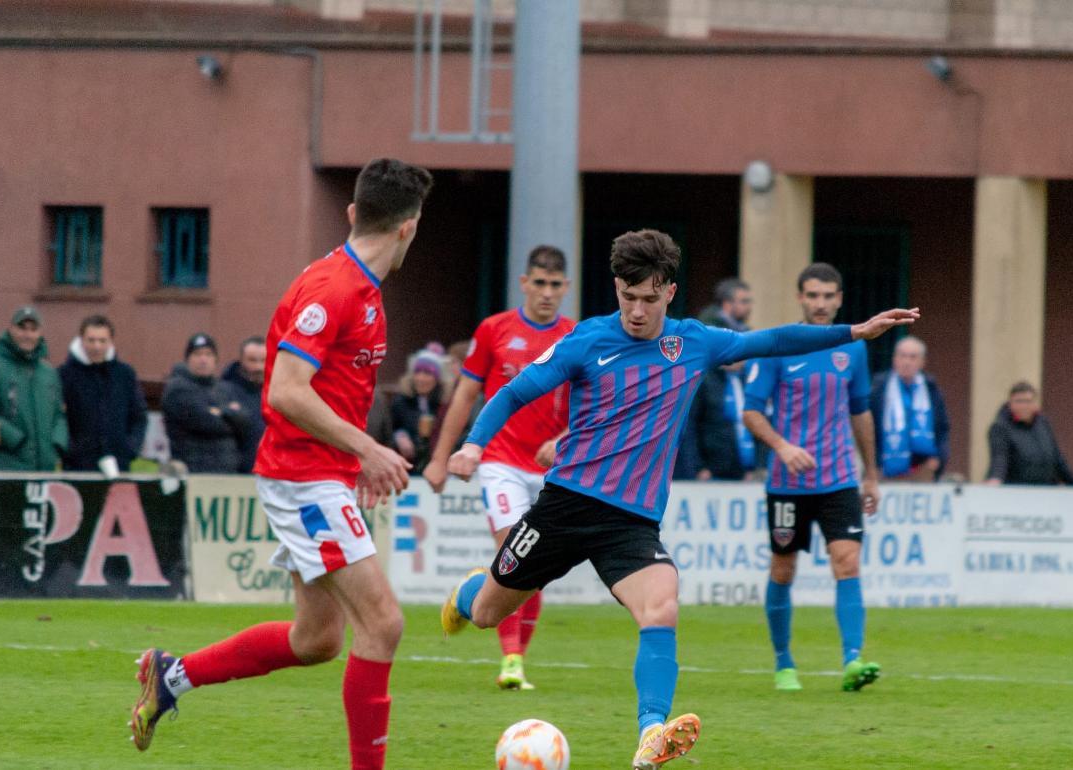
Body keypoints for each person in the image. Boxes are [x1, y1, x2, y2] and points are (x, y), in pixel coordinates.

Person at [439, 230, 918, 769]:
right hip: (565, 506)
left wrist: (855, 332)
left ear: (669, 291)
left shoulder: (694, 342)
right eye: (627, 296)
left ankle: (651, 732)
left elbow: (772, 340)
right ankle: (466, 595)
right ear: (616, 288)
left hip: (631, 522)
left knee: (663, 602)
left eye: (649, 298)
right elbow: (513, 392)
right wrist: (474, 444)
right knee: (487, 612)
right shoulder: (586, 340)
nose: (636, 311)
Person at [130, 158, 432, 770]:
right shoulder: (333, 289)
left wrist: (353, 458)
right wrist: (366, 447)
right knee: (383, 623)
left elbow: (326, 390)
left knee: (317, 639)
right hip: (304, 480)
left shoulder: (361, 290)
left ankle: (171, 676)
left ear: (354, 213)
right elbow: (286, 391)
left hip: (322, 476)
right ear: (409, 227)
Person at [422, 244, 575, 691]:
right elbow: (465, 395)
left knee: (536, 562)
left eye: (555, 285)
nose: (546, 293)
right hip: (500, 461)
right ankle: (512, 660)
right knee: (514, 551)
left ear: (565, 287)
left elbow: (594, 405)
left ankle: (470, 596)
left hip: (550, 467)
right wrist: (440, 458)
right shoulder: (494, 330)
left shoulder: (575, 336)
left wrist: (563, 440)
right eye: (539, 283)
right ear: (524, 283)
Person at [741, 263, 883, 695]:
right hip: (787, 483)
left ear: (839, 299)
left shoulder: (853, 348)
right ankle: (784, 663)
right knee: (784, 568)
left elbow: (860, 411)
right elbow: (751, 411)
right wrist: (782, 447)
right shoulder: (779, 345)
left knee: (848, 561)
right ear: (801, 298)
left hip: (839, 479)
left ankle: (852, 660)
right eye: (813, 295)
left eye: (828, 296)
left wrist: (871, 475)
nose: (821, 303)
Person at [677, 278, 756, 481]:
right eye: (744, 301)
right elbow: (689, 425)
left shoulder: (743, 373)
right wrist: (698, 467)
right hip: (710, 472)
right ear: (727, 304)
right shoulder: (708, 337)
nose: (749, 307)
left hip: (741, 470)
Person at [58, 314, 148, 473]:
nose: (97, 346)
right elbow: (57, 418)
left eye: (102, 341)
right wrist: (69, 450)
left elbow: (139, 416)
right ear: (81, 340)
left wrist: (130, 449)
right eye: (91, 340)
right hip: (78, 466)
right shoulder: (64, 375)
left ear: (111, 341)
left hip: (119, 465)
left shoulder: (125, 374)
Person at [0, 306, 68, 471]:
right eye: (22, 328)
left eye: (33, 329)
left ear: (40, 333)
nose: (27, 335)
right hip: (8, 465)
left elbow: (59, 414)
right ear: (11, 329)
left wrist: (58, 444)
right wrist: (15, 440)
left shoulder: (48, 373)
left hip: (45, 466)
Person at [160, 334, 250, 474]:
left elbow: (245, 422)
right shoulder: (177, 389)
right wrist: (230, 415)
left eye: (208, 354)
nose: (203, 360)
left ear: (215, 359)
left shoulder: (225, 389)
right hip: (192, 472)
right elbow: (205, 422)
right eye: (197, 354)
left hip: (228, 472)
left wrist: (220, 412)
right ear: (188, 359)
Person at [869, 335, 950, 482]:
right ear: (894, 359)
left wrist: (939, 458)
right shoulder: (879, 387)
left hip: (923, 468)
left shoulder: (931, 388)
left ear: (922, 362)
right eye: (902, 356)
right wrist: (873, 463)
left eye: (913, 357)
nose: (907, 362)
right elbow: (869, 426)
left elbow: (943, 427)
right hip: (885, 468)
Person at [986, 381, 1073, 486]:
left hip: (1046, 488)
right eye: (1019, 401)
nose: (1023, 406)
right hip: (1016, 489)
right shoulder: (1000, 428)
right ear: (1010, 404)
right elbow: (999, 457)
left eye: (1028, 401)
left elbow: (1057, 458)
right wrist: (995, 478)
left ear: (1035, 404)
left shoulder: (1043, 424)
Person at [390, 348, 448, 469]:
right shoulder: (401, 400)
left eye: (427, 373)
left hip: (438, 465)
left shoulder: (445, 403)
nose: (421, 378)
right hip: (408, 465)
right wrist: (399, 436)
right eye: (417, 372)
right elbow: (390, 428)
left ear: (438, 378)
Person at [221, 335, 267, 473]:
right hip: (236, 474)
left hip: (270, 473)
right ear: (241, 360)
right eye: (252, 360)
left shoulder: (277, 393)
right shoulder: (224, 392)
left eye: (263, 360)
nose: (258, 367)